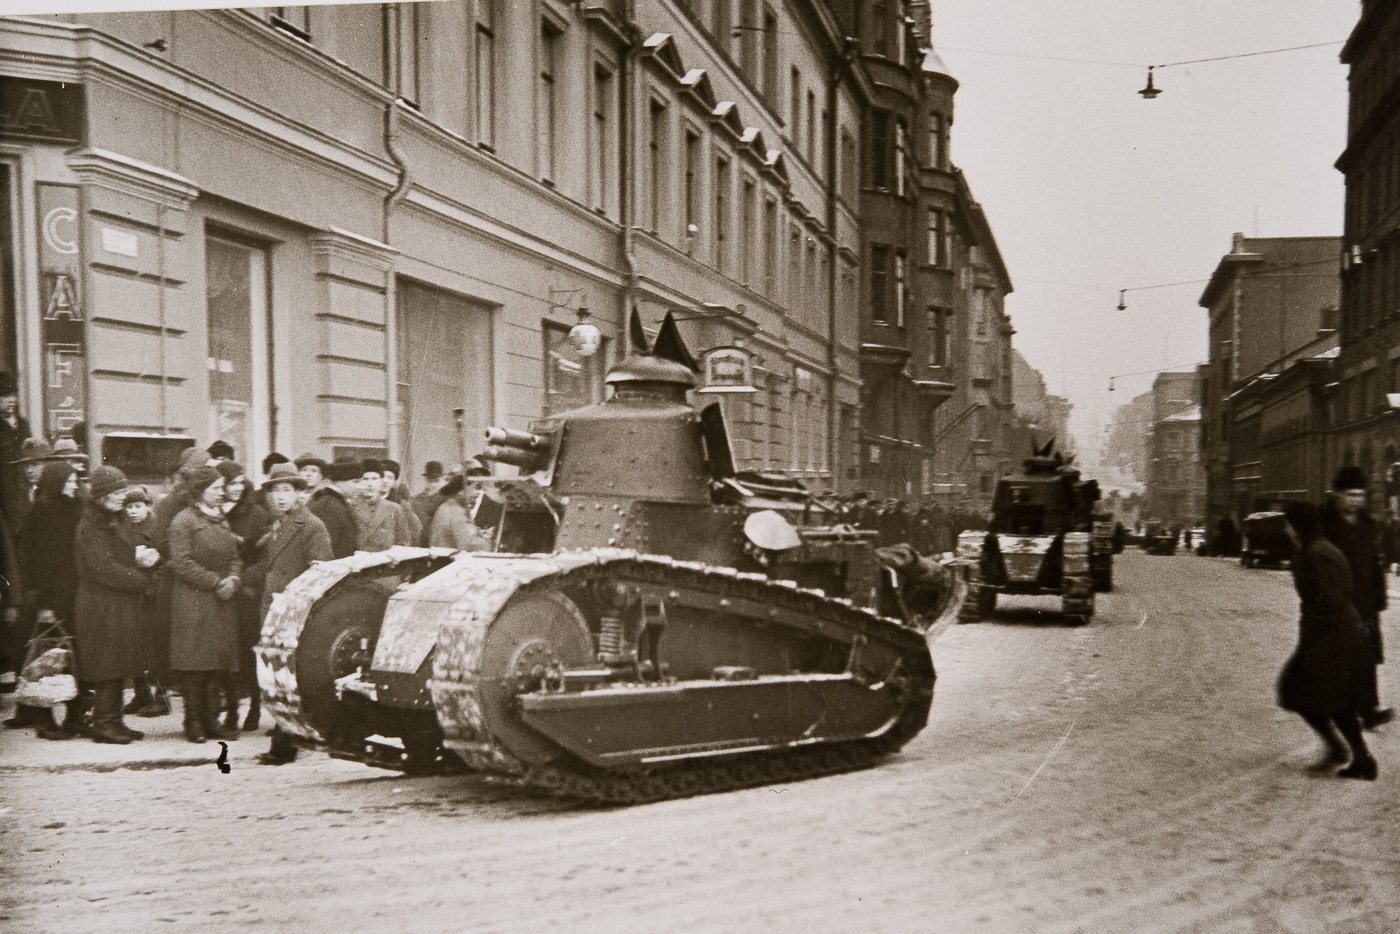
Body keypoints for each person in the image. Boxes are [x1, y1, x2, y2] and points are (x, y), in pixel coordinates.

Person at [1277, 500, 1379, 780]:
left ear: (1298, 525)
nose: (1285, 529)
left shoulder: (1318, 553)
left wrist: (1314, 638)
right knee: (1327, 696)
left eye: (1288, 523)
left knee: (1300, 689)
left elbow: (1329, 599)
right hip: (1335, 634)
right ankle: (1355, 756)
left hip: (1334, 636)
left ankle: (1348, 753)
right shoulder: (1314, 549)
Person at [244, 462, 333, 765]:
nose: (280, 497)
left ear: (299, 493)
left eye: (287, 490)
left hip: (291, 612)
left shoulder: (310, 526)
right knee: (278, 675)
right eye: (275, 491)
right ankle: (289, 735)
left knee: (286, 676)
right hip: (273, 608)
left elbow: (320, 571)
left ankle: (285, 745)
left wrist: (294, 602)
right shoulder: (280, 523)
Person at [72, 466, 159, 745]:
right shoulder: (91, 526)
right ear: (100, 496)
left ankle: (115, 720)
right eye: (117, 492)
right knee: (108, 664)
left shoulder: (112, 519)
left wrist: (143, 556)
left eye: (123, 490)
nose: (122, 497)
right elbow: (102, 568)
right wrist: (140, 580)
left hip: (117, 603)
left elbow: (125, 552)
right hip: (100, 604)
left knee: (120, 661)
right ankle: (103, 723)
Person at [166, 466, 243, 744]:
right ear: (201, 491)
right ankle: (193, 722)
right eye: (217, 488)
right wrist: (215, 582)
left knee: (216, 663)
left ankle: (212, 720)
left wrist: (233, 578)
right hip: (193, 602)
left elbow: (234, 556)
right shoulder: (183, 521)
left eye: (223, 488)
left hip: (221, 602)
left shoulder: (221, 519)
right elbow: (181, 562)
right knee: (195, 664)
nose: (222, 493)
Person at [13, 461, 83, 739]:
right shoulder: (40, 513)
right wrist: (43, 604)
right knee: (45, 662)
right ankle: (44, 719)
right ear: (56, 483)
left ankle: (75, 716)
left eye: (76, 481)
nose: (75, 486)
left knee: (74, 659)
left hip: (73, 595)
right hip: (51, 599)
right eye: (69, 481)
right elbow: (36, 562)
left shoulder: (75, 509)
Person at [1321, 465, 1393, 729]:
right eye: (1350, 494)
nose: (1355, 499)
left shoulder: (1366, 525)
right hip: (1338, 603)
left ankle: (1369, 709)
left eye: (1359, 494)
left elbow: (1374, 564)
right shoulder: (1326, 526)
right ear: (1338, 495)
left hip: (1365, 604)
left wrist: (1379, 597)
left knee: (1367, 656)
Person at [216, 461, 270, 731]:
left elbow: (266, 557)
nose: (236, 489)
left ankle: (255, 708)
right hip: (221, 591)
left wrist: (246, 580)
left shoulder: (257, 514)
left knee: (249, 652)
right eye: (230, 484)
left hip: (247, 594)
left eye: (240, 483)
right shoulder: (214, 512)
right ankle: (231, 711)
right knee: (226, 654)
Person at [119, 486, 169, 718]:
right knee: (133, 645)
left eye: (138, 506)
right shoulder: (122, 529)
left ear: (148, 506)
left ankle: (162, 696)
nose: (133, 511)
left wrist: (151, 583)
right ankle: (141, 694)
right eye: (128, 507)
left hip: (154, 596)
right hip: (132, 594)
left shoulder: (159, 529)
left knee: (156, 646)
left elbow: (168, 562)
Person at [353, 459, 416, 552]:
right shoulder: (350, 508)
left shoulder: (394, 509)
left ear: (380, 481)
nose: (370, 484)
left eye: (374, 479)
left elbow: (404, 542)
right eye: (365, 479)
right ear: (359, 482)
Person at [426, 472, 493, 552]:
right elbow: (469, 544)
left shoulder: (449, 507)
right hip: (449, 561)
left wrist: (478, 533)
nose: (479, 492)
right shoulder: (455, 511)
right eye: (476, 487)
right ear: (461, 491)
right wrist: (491, 543)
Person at [306, 457, 358, 557]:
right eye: (355, 482)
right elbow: (324, 547)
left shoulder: (333, 502)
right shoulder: (329, 506)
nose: (359, 487)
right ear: (340, 481)